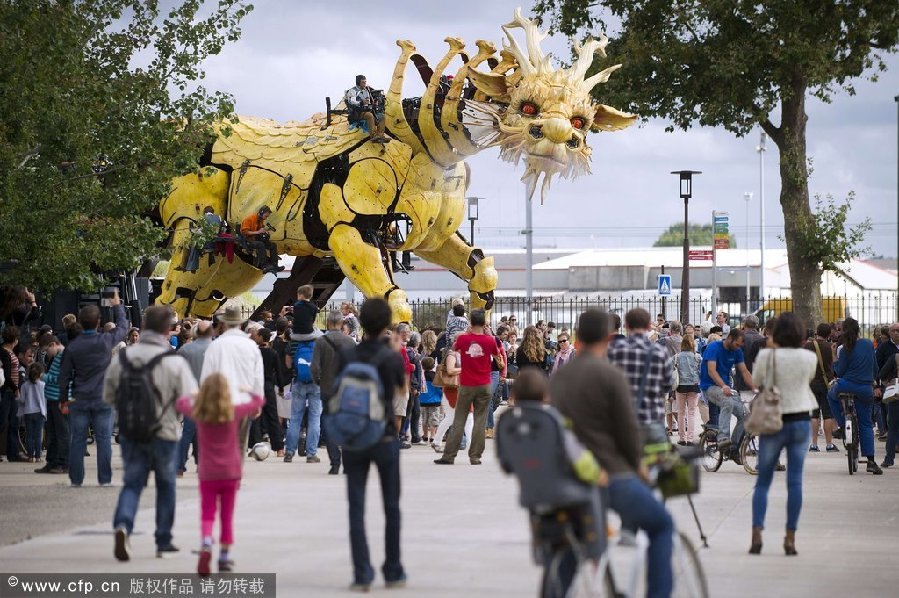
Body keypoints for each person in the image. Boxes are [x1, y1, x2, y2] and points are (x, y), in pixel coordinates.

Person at [551, 309, 673, 598]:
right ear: (608, 336)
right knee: (661, 525)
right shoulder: (610, 375)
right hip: (610, 471)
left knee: (574, 538)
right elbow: (627, 428)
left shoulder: (561, 378)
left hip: (572, 475)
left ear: (578, 336)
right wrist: (638, 465)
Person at [498, 368, 603, 598]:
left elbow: (506, 465)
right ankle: (596, 549)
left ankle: (542, 552)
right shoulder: (551, 419)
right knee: (593, 493)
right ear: (545, 394)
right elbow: (578, 458)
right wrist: (597, 473)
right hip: (566, 495)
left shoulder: (506, 423)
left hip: (531, 495)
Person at [105, 305, 198, 561]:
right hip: (164, 430)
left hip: (131, 430)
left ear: (143, 327)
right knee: (166, 484)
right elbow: (189, 400)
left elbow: (109, 396)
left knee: (133, 483)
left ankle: (123, 524)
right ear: (168, 330)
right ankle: (163, 539)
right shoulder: (174, 361)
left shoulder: (122, 358)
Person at [339, 298, 407, 591]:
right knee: (391, 506)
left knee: (356, 506)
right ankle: (392, 569)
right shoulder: (390, 356)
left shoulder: (348, 355)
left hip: (354, 435)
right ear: (386, 324)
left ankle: (361, 573)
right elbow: (401, 388)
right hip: (384, 435)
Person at [176, 373, 263, 575]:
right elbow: (259, 400)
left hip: (207, 472)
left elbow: (180, 403)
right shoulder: (234, 411)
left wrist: (194, 393)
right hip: (231, 471)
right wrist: (245, 390)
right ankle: (224, 556)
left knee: (207, 512)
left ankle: (206, 542)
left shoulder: (200, 412)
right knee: (227, 515)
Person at [749, 313, 817, 556]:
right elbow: (806, 380)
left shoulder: (768, 355)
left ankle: (757, 532)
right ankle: (790, 537)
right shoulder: (809, 357)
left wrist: (770, 350)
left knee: (763, 481)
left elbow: (757, 382)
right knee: (795, 481)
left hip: (773, 420)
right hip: (800, 419)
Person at [59, 294, 128, 486]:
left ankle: (76, 479)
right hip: (102, 397)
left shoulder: (73, 347)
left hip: (80, 397)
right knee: (104, 439)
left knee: (77, 439)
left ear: (80, 322)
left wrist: (63, 399)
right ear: (98, 322)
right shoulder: (105, 341)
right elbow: (123, 328)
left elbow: (63, 375)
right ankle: (104, 479)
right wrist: (117, 306)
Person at [435, 308, 503, 466]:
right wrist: (489, 334)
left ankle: (449, 455)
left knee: (459, 419)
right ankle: (475, 456)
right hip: (484, 383)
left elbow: (455, 348)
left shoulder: (464, 339)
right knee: (480, 421)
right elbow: (496, 353)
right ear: (484, 323)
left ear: (470, 322)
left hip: (466, 384)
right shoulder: (489, 340)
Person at [826, 317, 881, 474]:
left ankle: (843, 426)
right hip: (865, 388)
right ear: (858, 330)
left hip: (846, 384)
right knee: (865, 424)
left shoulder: (844, 349)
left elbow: (840, 372)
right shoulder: (868, 344)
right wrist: (873, 382)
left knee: (831, 395)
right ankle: (870, 461)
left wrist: (835, 357)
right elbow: (875, 368)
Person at [607, 308, 672, 425]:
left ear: (626, 325)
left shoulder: (613, 350)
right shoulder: (660, 352)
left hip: (622, 419)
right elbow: (667, 386)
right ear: (648, 326)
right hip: (651, 418)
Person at [312, 310, 357, 474]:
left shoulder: (321, 342)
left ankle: (335, 463)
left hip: (328, 388)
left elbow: (315, 367)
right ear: (341, 324)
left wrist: (319, 381)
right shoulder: (350, 342)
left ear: (329, 323)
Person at [700, 329, 757, 450]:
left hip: (725, 388)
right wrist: (723, 386)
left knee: (746, 415)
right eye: (737, 344)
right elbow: (711, 371)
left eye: (740, 346)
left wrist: (754, 387)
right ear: (730, 338)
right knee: (727, 402)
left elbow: (744, 371)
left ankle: (734, 448)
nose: (738, 348)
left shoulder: (737, 351)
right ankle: (723, 438)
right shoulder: (714, 348)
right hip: (709, 387)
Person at [36, 336, 68, 473]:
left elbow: (62, 378)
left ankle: (63, 463)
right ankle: (52, 462)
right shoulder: (59, 356)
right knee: (53, 433)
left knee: (61, 433)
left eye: (46, 350)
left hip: (58, 399)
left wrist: (43, 376)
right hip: (53, 398)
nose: (46, 354)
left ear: (53, 345)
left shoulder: (64, 357)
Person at [805, 323, 838, 452]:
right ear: (828, 334)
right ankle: (829, 444)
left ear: (816, 332)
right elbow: (833, 364)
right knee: (827, 414)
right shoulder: (829, 347)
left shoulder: (807, 346)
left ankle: (814, 443)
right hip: (826, 383)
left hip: (812, 382)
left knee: (814, 415)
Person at [0, 325, 24, 461]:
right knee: (2, 421)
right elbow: (7, 377)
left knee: (14, 422)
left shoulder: (10, 351)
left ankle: (13, 453)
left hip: (12, 392)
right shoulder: (5, 352)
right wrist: (16, 389)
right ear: (14, 338)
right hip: (8, 392)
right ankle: (12, 453)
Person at [674, 335, 702, 445]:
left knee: (681, 412)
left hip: (680, 385)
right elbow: (702, 370)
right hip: (694, 386)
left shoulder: (677, 356)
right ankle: (690, 439)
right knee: (691, 413)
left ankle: (682, 438)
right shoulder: (697, 356)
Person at [345, 74, 388, 143]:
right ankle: (373, 136)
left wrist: (373, 104)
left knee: (381, 116)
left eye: (365, 82)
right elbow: (351, 102)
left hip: (365, 110)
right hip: (356, 113)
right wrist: (361, 102)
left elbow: (368, 103)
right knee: (369, 116)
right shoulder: (352, 91)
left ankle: (380, 136)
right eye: (363, 82)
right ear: (358, 82)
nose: (365, 83)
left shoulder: (366, 91)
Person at [240, 205, 282, 273]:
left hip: (256, 239)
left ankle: (274, 266)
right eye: (265, 216)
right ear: (261, 213)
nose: (265, 218)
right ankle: (264, 266)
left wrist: (265, 232)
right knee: (260, 244)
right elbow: (244, 232)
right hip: (248, 241)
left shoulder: (260, 220)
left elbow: (260, 229)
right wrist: (258, 232)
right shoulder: (249, 219)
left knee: (273, 245)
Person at [18, 362, 46, 462]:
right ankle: (38, 457)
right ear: (41, 373)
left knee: (29, 435)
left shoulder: (24, 385)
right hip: (40, 412)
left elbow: (22, 400)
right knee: (38, 435)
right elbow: (44, 399)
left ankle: (30, 456)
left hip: (28, 412)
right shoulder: (43, 385)